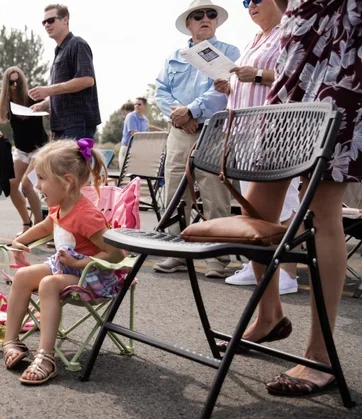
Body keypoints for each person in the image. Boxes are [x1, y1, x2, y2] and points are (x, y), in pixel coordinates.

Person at [219, 0, 361, 396]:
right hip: (297, 53)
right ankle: (270, 316)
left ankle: (321, 354)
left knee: (323, 204)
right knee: (257, 200)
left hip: (346, 47)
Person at [2, 138, 125, 385]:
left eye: (42, 178)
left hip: (93, 275)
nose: (37, 186)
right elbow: (47, 226)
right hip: (67, 267)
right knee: (23, 276)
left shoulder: (87, 216)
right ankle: (10, 340)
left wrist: (81, 263)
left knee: (48, 283)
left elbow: (117, 255)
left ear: (67, 181)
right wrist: (21, 240)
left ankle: (46, 356)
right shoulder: (60, 206)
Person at [211, 0, 298, 296]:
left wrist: (258, 75)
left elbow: (294, 74)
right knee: (253, 202)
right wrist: (230, 86)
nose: (251, 6)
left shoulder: (287, 31)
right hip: (246, 130)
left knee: (283, 204)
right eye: (246, 2)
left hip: (274, 129)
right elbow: (247, 82)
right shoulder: (255, 39)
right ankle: (258, 262)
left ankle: (287, 271)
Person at [153, 0, 240, 277]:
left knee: (215, 192)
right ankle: (175, 253)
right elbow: (161, 91)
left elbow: (223, 90)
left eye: (211, 14)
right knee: (175, 191)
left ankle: (217, 258)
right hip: (180, 131)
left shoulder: (230, 52)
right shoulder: (173, 56)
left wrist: (192, 110)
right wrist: (181, 115)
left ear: (216, 21)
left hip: (214, 130)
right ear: (188, 24)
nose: (206, 18)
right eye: (198, 15)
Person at [0, 67, 48, 236]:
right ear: (6, 84)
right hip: (21, 150)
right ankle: (26, 223)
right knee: (12, 185)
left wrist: (45, 108)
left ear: (22, 81)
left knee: (28, 185)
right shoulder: (5, 105)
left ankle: (39, 225)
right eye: (11, 82)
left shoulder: (31, 99)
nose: (15, 85)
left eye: (17, 81)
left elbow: (51, 112)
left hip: (39, 150)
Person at [28, 4, 101, 141]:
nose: (46, 25)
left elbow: (86, 79)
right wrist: (45, 104)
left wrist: (48, 90)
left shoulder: (77, 43)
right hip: (61, 125)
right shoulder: (59, 51)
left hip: (77, 124)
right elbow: (63, 90)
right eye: (44, 22)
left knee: (76, 163)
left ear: (65, 21)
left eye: (51, 20)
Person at [119, 97, 149, 169]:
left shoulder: (146, 120)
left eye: (139, 104)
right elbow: (134, 133)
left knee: (137, 175)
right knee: (125, 177)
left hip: (138, 150)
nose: (136, 106)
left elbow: (146, 134)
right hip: (127, 149)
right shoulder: (131, 116)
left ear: (144, 106)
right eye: (135, 104)